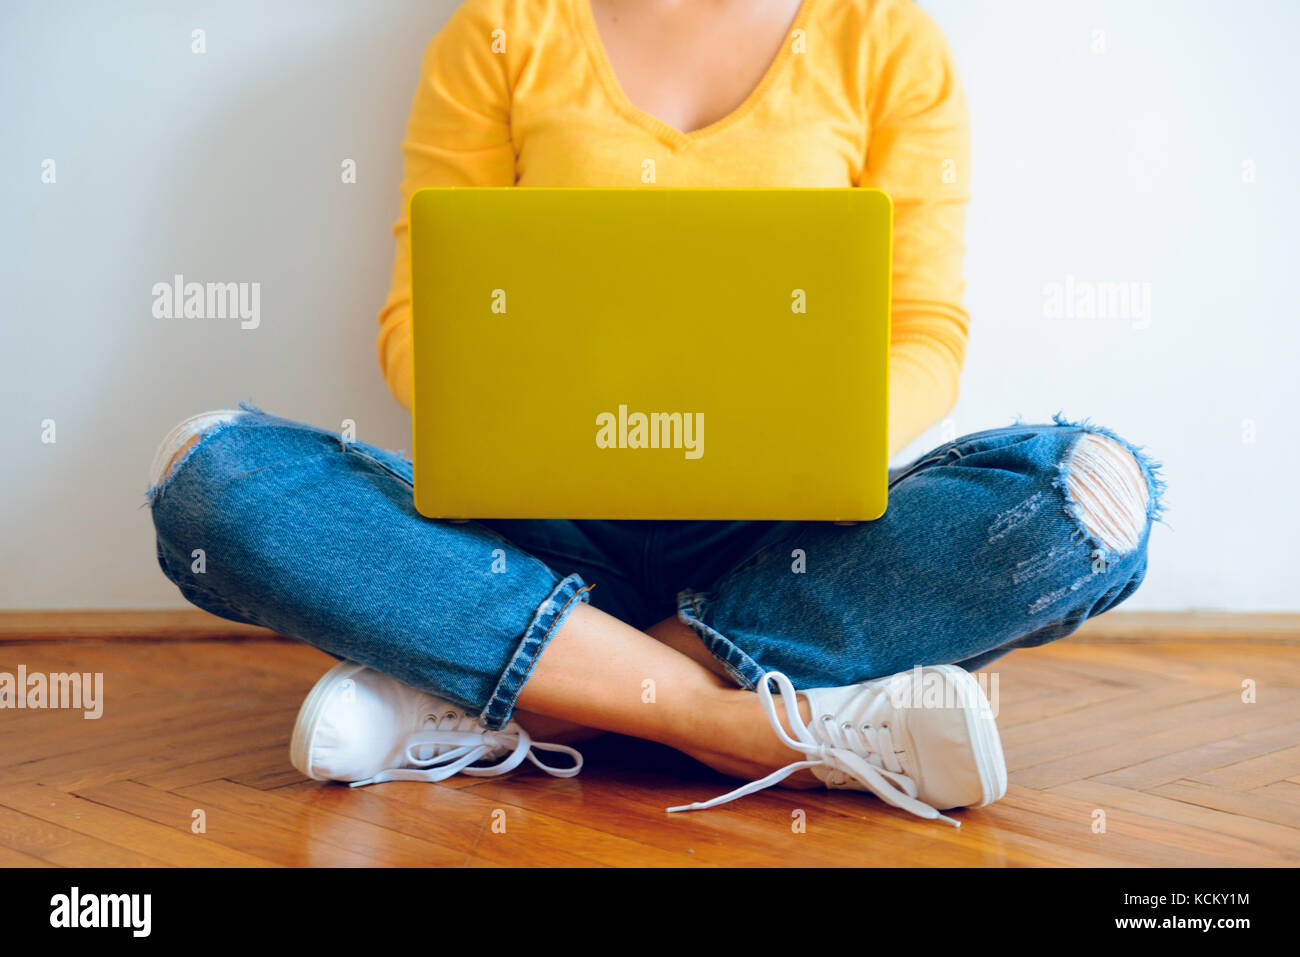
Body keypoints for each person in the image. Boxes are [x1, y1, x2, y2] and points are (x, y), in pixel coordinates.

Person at [146, 0, 1163, 827]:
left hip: (782, 537)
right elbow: (420, 319)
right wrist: (524, 421)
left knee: (1087, 499)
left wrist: (809, 435)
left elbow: (925, 331)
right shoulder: (499, 29)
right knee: (211, 479)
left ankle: (518, 690)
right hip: (534, 522)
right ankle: (750, 721)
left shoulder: (885, 39)